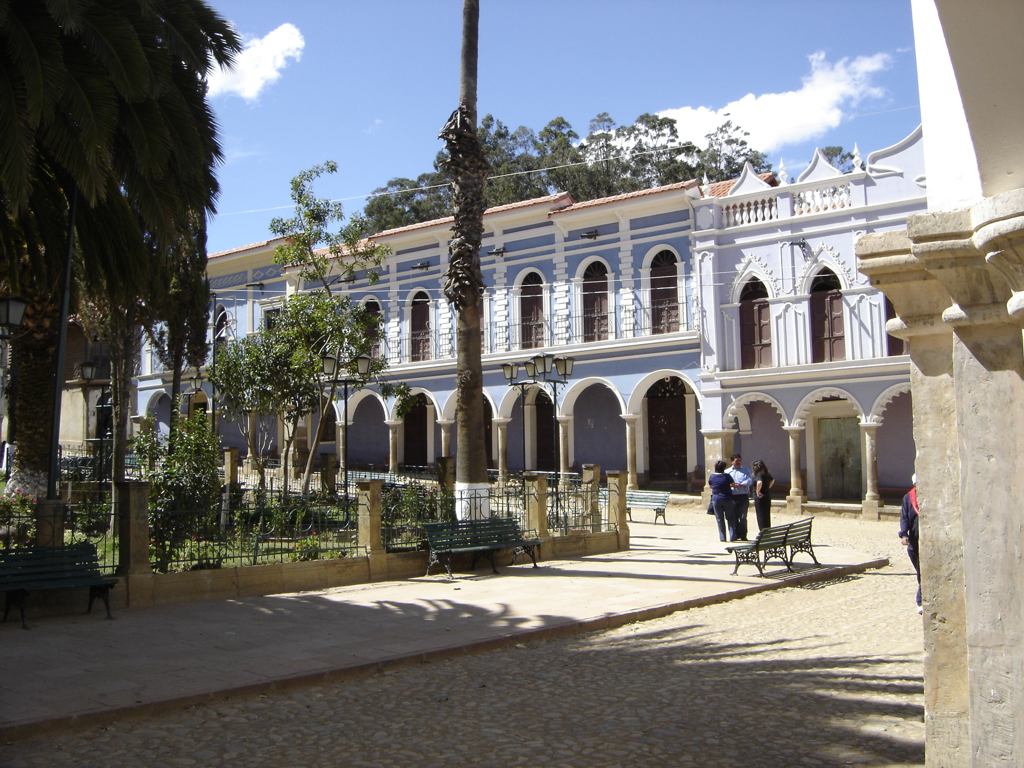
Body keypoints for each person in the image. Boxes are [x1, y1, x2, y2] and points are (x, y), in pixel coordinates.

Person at [899, 473, 922, 614]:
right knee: (920, 571)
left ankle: (920, 600)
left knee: (923, 572)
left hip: (927, 540)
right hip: (914, 540)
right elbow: (904, 517)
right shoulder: (908, 498)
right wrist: (903, 534)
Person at [725, 453, 753, 540]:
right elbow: (725, 482)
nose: (739, 462)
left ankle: (744, 535)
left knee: (743, 517)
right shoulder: (727, 472)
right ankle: (736, 535)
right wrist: (731, 485)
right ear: (732, 461)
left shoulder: (746, 470)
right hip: (732, 497)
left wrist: (741, 484)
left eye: (740, 461)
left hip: (743, 496)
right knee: (734, 517)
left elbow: (750, 480)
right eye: (737, 461)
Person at [708, 460, 736, 542]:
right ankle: (732, 536)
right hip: (727, 498)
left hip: (716, 498)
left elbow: (710, 485)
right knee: (730, 518)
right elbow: (733, 484)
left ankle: (723, 537)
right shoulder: (727, 476)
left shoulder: (712, 476)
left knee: (719, 519)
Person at [751, 459, 774, 531]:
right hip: (767, 496)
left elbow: (759, 482)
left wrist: (758, 492)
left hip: (760, 498)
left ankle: (762, 533)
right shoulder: (766, 473)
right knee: (766, 516)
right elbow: (773, 480)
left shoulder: (758, 474)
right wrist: (768, 487)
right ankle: (767, 533)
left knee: (760, 516)